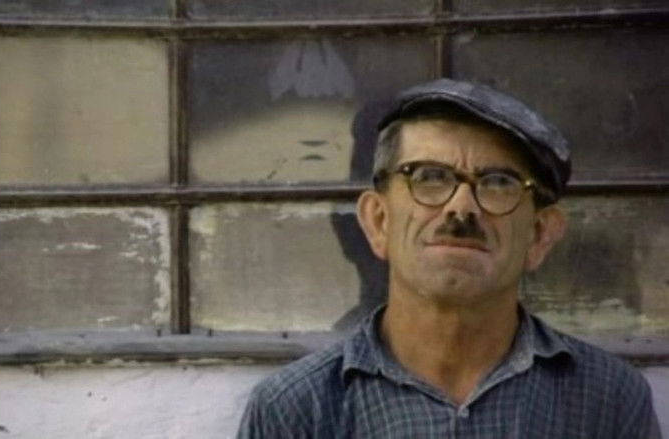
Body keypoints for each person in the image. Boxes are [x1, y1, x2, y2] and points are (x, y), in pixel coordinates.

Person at [237, 79, 661, 438]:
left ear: (539, 235)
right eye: (430, 177)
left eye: (498, 182)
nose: (461, 208)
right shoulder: (298, 410)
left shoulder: (607, 401)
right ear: (379, 221)